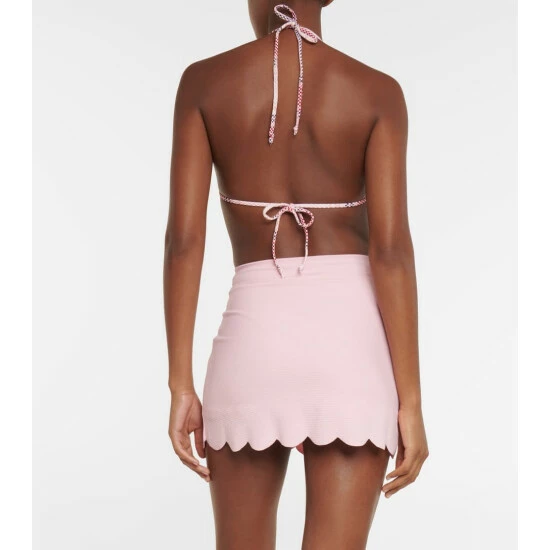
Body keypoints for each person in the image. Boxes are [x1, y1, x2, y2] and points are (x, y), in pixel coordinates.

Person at [164, 1, 428, 548]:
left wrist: (180, 384)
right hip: (350, 351)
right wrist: (411, 401)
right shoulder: (377, 91)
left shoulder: (203, 83)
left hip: (252, 343)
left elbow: (184, 242)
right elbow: (391, 251)